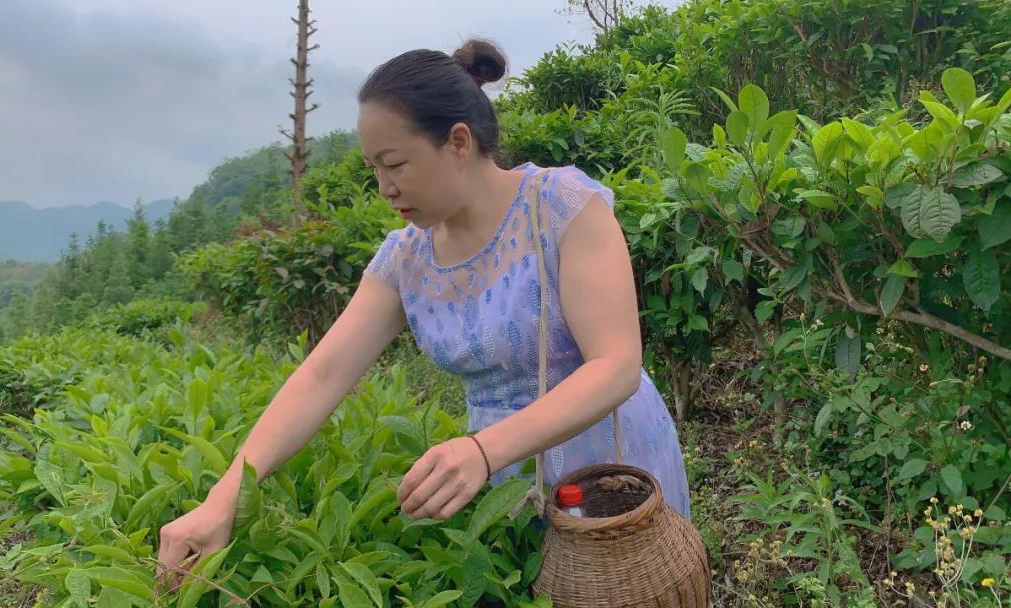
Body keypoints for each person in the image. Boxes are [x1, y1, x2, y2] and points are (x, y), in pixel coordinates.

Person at [157, 38, 690, 584]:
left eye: (395, 165)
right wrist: (223, 499)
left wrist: (484, 449)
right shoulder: (406, 257)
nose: (385, 188)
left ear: (458, 141)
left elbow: (616, 365)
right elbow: (322, 375)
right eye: (374, 170)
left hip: (609, 461)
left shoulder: (558, 206)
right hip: (495, 478)